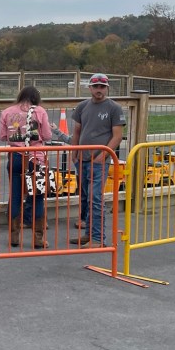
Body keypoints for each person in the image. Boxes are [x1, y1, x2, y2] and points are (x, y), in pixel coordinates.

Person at [70, 73, 125, 247]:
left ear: (107, 88)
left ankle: (99, 238)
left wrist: (104, 155)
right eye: (96, 87)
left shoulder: (114, 108)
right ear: (90, 88)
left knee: (96, 198)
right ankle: (88, 233)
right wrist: (74, 151)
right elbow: (77, 131)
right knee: (85, 196)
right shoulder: (82, 106)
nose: (99, 90)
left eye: (102, 86)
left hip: (99, 161)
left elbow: (117, 136)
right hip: (82, 158)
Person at [0, 86, 53, 249]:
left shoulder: (7, 112)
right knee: (37, 197)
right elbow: (48, 136)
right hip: (35, 158)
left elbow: (3, 136)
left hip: (15, 156)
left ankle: (14, 236)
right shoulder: (40, 112)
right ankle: (38, 239)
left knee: (15, 195)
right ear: (36, 98)